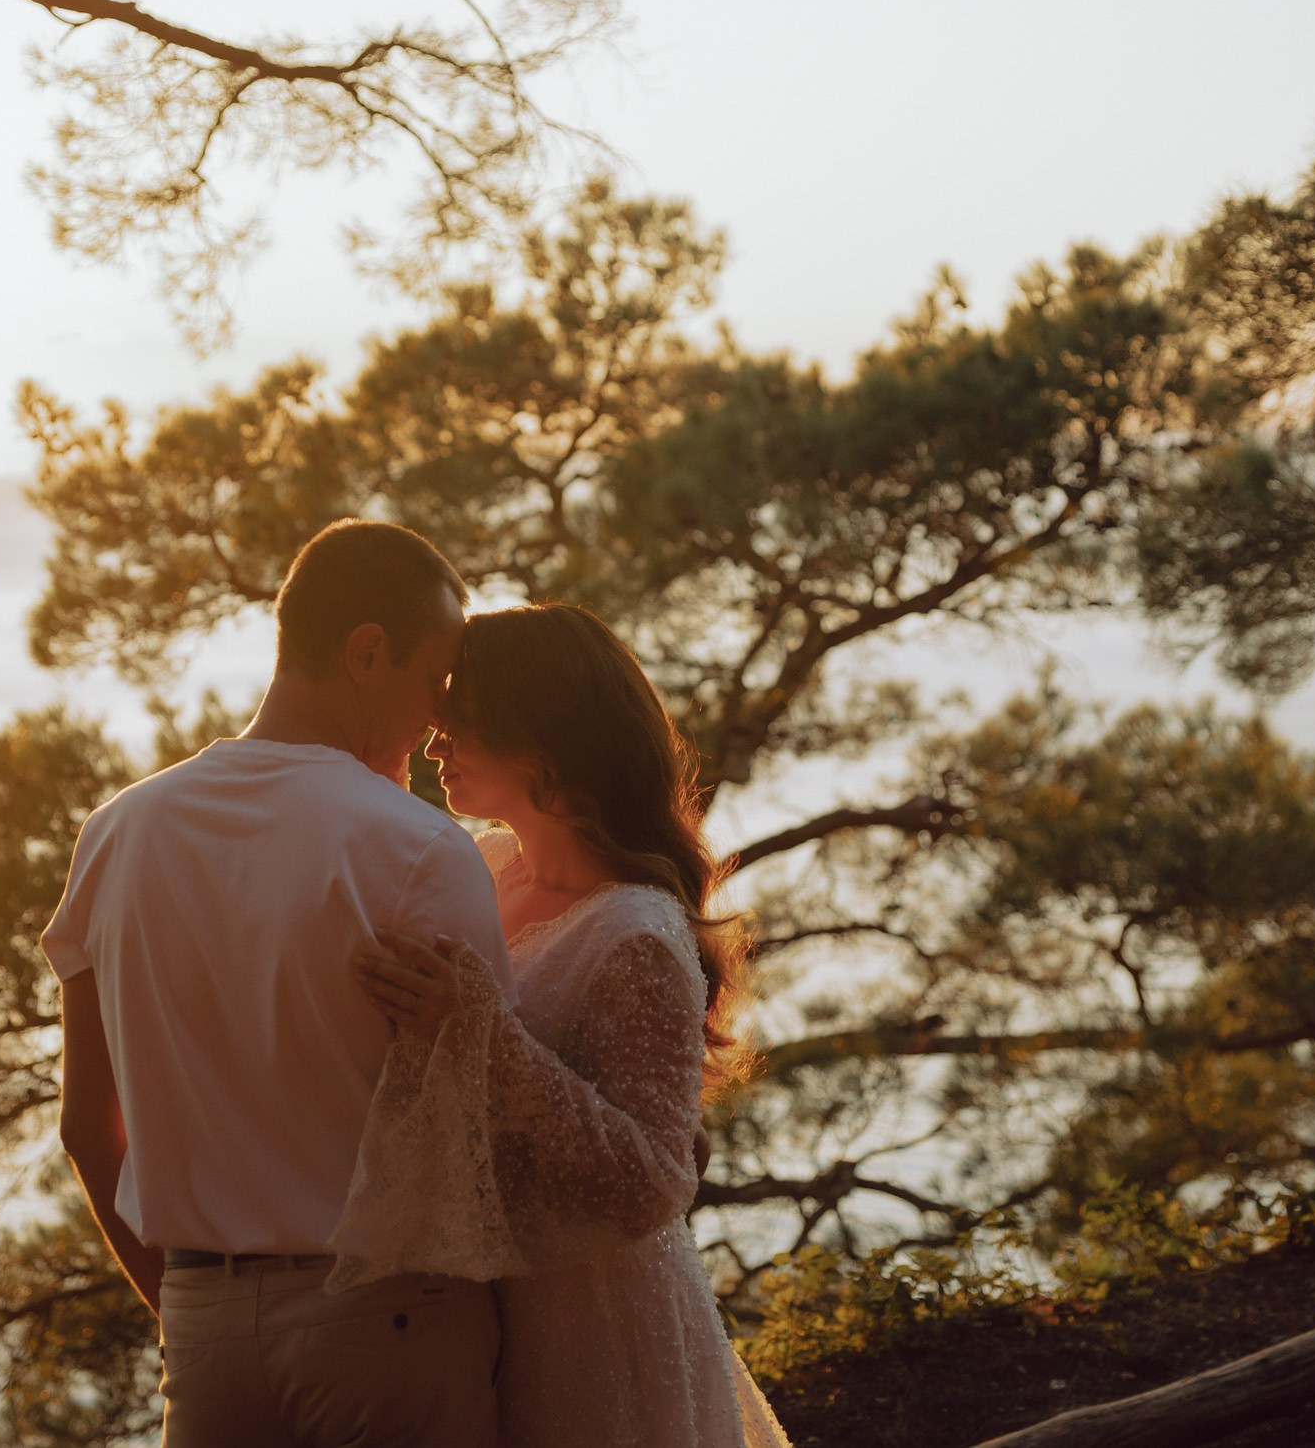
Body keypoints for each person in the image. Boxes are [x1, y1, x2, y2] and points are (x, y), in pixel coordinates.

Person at [43, 519, 513, 1448]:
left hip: (204, 1334)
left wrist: (194, 1310)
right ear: (367, 653)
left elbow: (86, 1127)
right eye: (435, 680)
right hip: (388, 1327)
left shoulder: (117, 835)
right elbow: (489, 1129)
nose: (441, 720)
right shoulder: (417, 848)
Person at [340, 602, 792, 1448]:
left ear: (542, 735)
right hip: (474, 1316)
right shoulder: (479, 869)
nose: (436, 737)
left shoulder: (637, 933)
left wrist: (478, 1034)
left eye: (461, 717)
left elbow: (655, 1179)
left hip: (598, 1333)